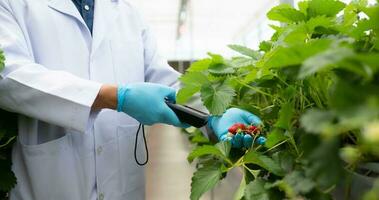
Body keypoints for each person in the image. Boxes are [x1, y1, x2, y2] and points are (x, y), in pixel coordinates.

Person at [0, 0, 262, 199]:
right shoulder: (14, 5)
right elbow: (9, 76)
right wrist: (112, 97)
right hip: (47, 184)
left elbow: (163, 81)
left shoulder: (126, 12)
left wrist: (213, 115)